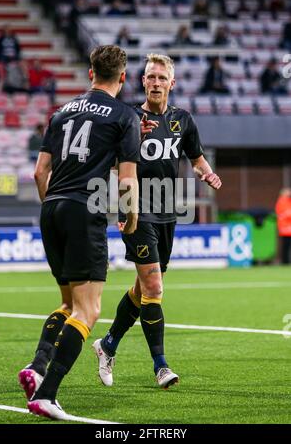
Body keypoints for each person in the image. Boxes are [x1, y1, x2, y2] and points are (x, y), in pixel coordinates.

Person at [18, 45, 140, 420]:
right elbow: (127, 178)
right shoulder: (124, 116)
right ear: (122, 77)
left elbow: (40, 172)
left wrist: (53, 206)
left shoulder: (60, 113)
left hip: (51, 208)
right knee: (89, 310)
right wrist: (130, 217)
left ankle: (37, 368)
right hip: (84, 209)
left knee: (70, 303)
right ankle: (47, 394)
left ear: (90, 73)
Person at [93, 53, 222, 389]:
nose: (155, 83)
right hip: (135, 210)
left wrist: (207, 174)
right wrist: (134, 136)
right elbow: (107, 162)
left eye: (161, 78)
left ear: (172, 84)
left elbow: (195, 158)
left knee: (141, 288)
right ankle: (161, 366)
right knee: (154, 288)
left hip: (168, 212)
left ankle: (107, 345)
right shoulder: (129, 118)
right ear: (141, 81)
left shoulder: (183, 120)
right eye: (150, 77)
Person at [275, 188, 291, 264]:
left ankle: (286, 261)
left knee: (287, 246)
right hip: (285, 228)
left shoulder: (288, 201)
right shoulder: (282, 201)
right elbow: (285, 213)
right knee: (286, 246)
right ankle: (285, 261)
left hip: (288, 228)